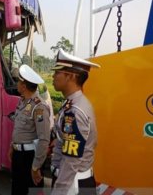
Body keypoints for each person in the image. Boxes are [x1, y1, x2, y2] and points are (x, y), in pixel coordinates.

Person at [50, 49, 100, 195]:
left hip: (71, 183)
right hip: (69, 179)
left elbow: (71, 160)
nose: (53, 76)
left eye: (57, 72)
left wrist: (58, 191)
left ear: (70, 76)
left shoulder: (76, 110)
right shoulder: (72, 103)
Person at [8, 64, 51, 195]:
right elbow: (19, 127)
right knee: (17, 189)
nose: (17, 84)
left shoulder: (39, 107)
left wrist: (36, 166)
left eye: (18, 82)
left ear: (24, 86)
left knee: (31, 190)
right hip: (18, 155)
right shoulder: (23, 102)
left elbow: (44, 139)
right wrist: (12, 146)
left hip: (30, 158)